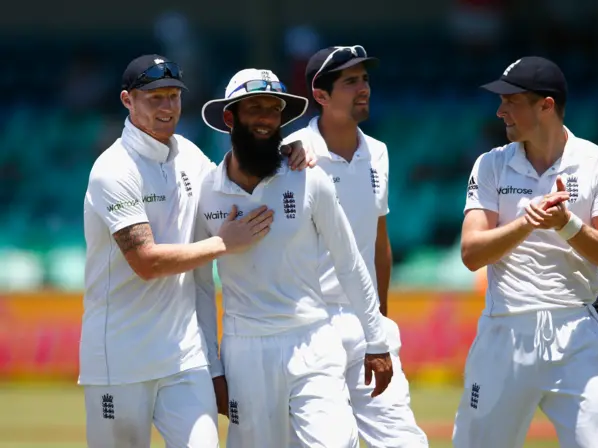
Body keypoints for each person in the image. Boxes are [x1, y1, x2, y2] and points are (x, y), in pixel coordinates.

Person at [79, 55, 315, 448]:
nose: (167, 107)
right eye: (155, 97)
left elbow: (238, 180)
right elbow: (146, 262)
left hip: (184, 359)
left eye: (173, 96)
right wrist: (223, 243)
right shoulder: (113, 169)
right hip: (118, 360)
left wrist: (286, 149)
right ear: (127, 100)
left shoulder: (189, 155)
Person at [196, 67, 393, 448]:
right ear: (229, 117)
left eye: (274, 109)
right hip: (245, 349)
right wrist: (212, 367)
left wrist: (377, 341)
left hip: (312, 339)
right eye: (255, 107)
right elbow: (200, 288)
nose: (267, 118)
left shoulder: (309, 177)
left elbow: (350, 261)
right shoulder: (207, 190)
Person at [454, 56, 598, 448]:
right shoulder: (490, 165)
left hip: (577, 336)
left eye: (510, 101)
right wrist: (527, 223)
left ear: (545, 105)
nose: (500, 111)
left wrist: (565, 225)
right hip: (504, 330)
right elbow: (471, 253)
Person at [283, 45, 429, 447]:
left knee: (405, 441)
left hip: (365, 324)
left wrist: (378, 322)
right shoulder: (290, 154)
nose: (363, 88)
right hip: (310, 327)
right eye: (350, 82)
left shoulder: (378, 152)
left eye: (364, 79)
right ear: (321, 95)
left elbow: (379, 242)